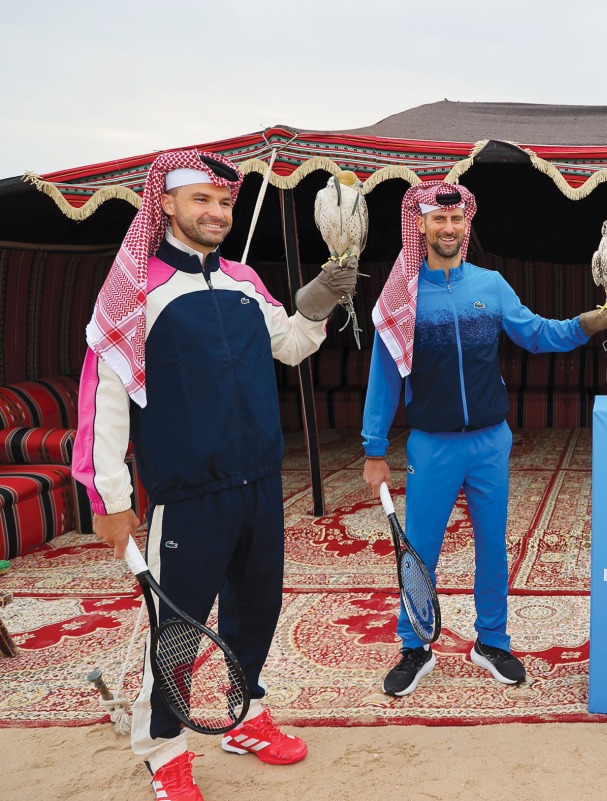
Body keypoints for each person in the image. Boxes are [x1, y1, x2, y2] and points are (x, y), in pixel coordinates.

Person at [72, 150, 358, 801]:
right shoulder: (136, 292)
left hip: (259, 484)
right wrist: (109, 497)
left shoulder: (243, 279)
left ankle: (243, 715)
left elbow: (287, 343)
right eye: (201, 198)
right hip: (187, 495)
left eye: (224, 201)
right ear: (166, 203)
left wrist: (315, 301)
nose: (216, 211)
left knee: (255, 611)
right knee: (177, 627)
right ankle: (163, 745)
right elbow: (104, 397)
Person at [362, 181, 607, 697]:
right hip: (432, 444)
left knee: (492, 546)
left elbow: (537, 333)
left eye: (456, 220)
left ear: (466, 225)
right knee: (420, 550)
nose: (448, 228)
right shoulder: (402, 296)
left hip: (490, 441)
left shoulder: (491, 285)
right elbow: (385, 376)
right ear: (420, 226)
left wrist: (590, 322)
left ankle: (492, 640)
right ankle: (414, 647)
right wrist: (374, 449)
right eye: (437, 221)